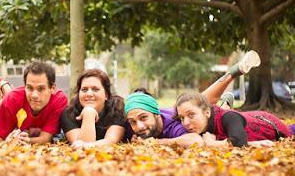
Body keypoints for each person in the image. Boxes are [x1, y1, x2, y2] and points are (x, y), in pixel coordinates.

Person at [124, 50, 261, 147]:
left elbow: (196, 140)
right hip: (203, 113)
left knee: (198, 102)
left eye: (143, 118)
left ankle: (232, 74)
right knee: (207, 106)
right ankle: (225, 102)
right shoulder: (133, 120)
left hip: (201, 116)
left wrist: (156, 142)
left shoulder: (176, 123)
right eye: (133, 122)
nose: (139, 126)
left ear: (156, 113)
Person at [174, 92, 295, 147]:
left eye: (191, 115)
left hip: (277, 128)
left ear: (207, 112)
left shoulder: (228, 117)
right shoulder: (203, 129)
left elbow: (239, 141)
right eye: (182, 118)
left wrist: (213, 144)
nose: (185, 123)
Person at [0, 61, 68, 144]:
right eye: (29, 88)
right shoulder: (11, 99)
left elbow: (45, 138)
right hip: (12, 101)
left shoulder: (59, 99)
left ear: (53, 88)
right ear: (24, 86)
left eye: (41, 89)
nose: (34, 95)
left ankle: (4, 85)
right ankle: (4, 85)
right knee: (9, 95)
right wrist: (8, 141)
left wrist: (27, 140)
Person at [61, 69, 126, 149]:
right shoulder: (69, 113)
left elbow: (111, 140)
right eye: (84, 90)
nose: (89, 94)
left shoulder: (117, 107)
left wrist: (89, 145)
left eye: (95, 89)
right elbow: (81, 147)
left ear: (106, 95)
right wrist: (89, 113)